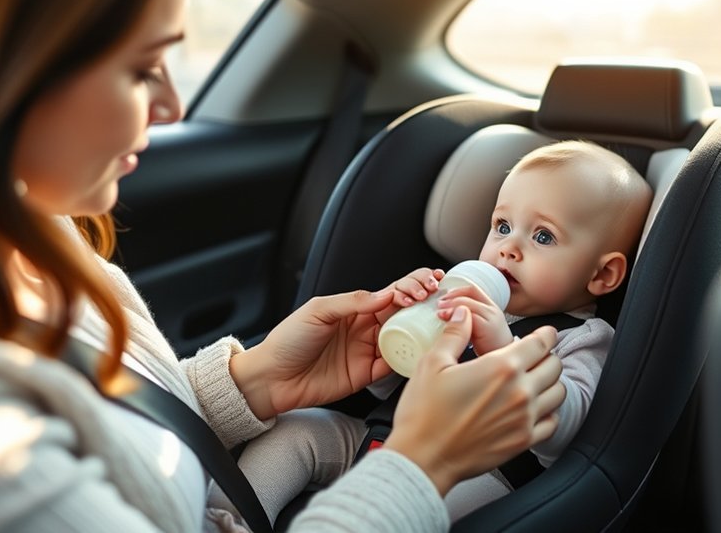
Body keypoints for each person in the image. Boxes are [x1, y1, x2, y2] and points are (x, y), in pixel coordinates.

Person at [0, 0, 567, 532]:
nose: (173, 104)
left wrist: (253, 382)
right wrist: (423, 463)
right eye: (143, 66)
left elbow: (115, 431)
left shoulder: (30, 228)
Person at [237, 141, 654, 522]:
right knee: (294, 429)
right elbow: (393, 388)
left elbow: (563, 435)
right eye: (502, 226)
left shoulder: (584, 337)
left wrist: (501, 350)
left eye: (543, 236)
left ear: (603, 274)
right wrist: (393, 336)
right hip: (383, 438)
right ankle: (231, 518)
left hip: (477, 473)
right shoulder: (455, 300)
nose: (509, 248)